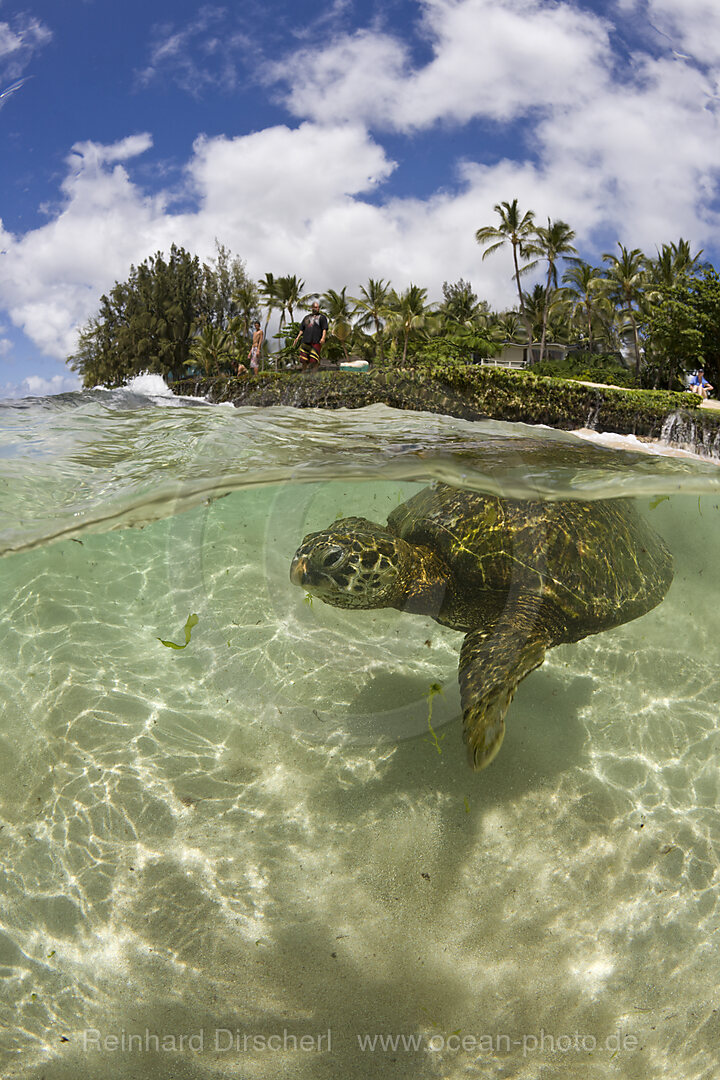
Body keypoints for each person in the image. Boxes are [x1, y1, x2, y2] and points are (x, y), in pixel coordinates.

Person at [293, 300, 328, 370]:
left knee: (314, 359)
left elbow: (324, 328)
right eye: (315, 307)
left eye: (318, 307)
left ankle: (313, 375)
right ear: (312, 308)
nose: (317, 309)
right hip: (306, 340)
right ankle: (303, 373)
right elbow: (301, 329)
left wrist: (323, 338)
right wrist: (297, 338)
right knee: (303, 359)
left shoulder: (322, 317)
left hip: (316, 341)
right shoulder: (306, 317)